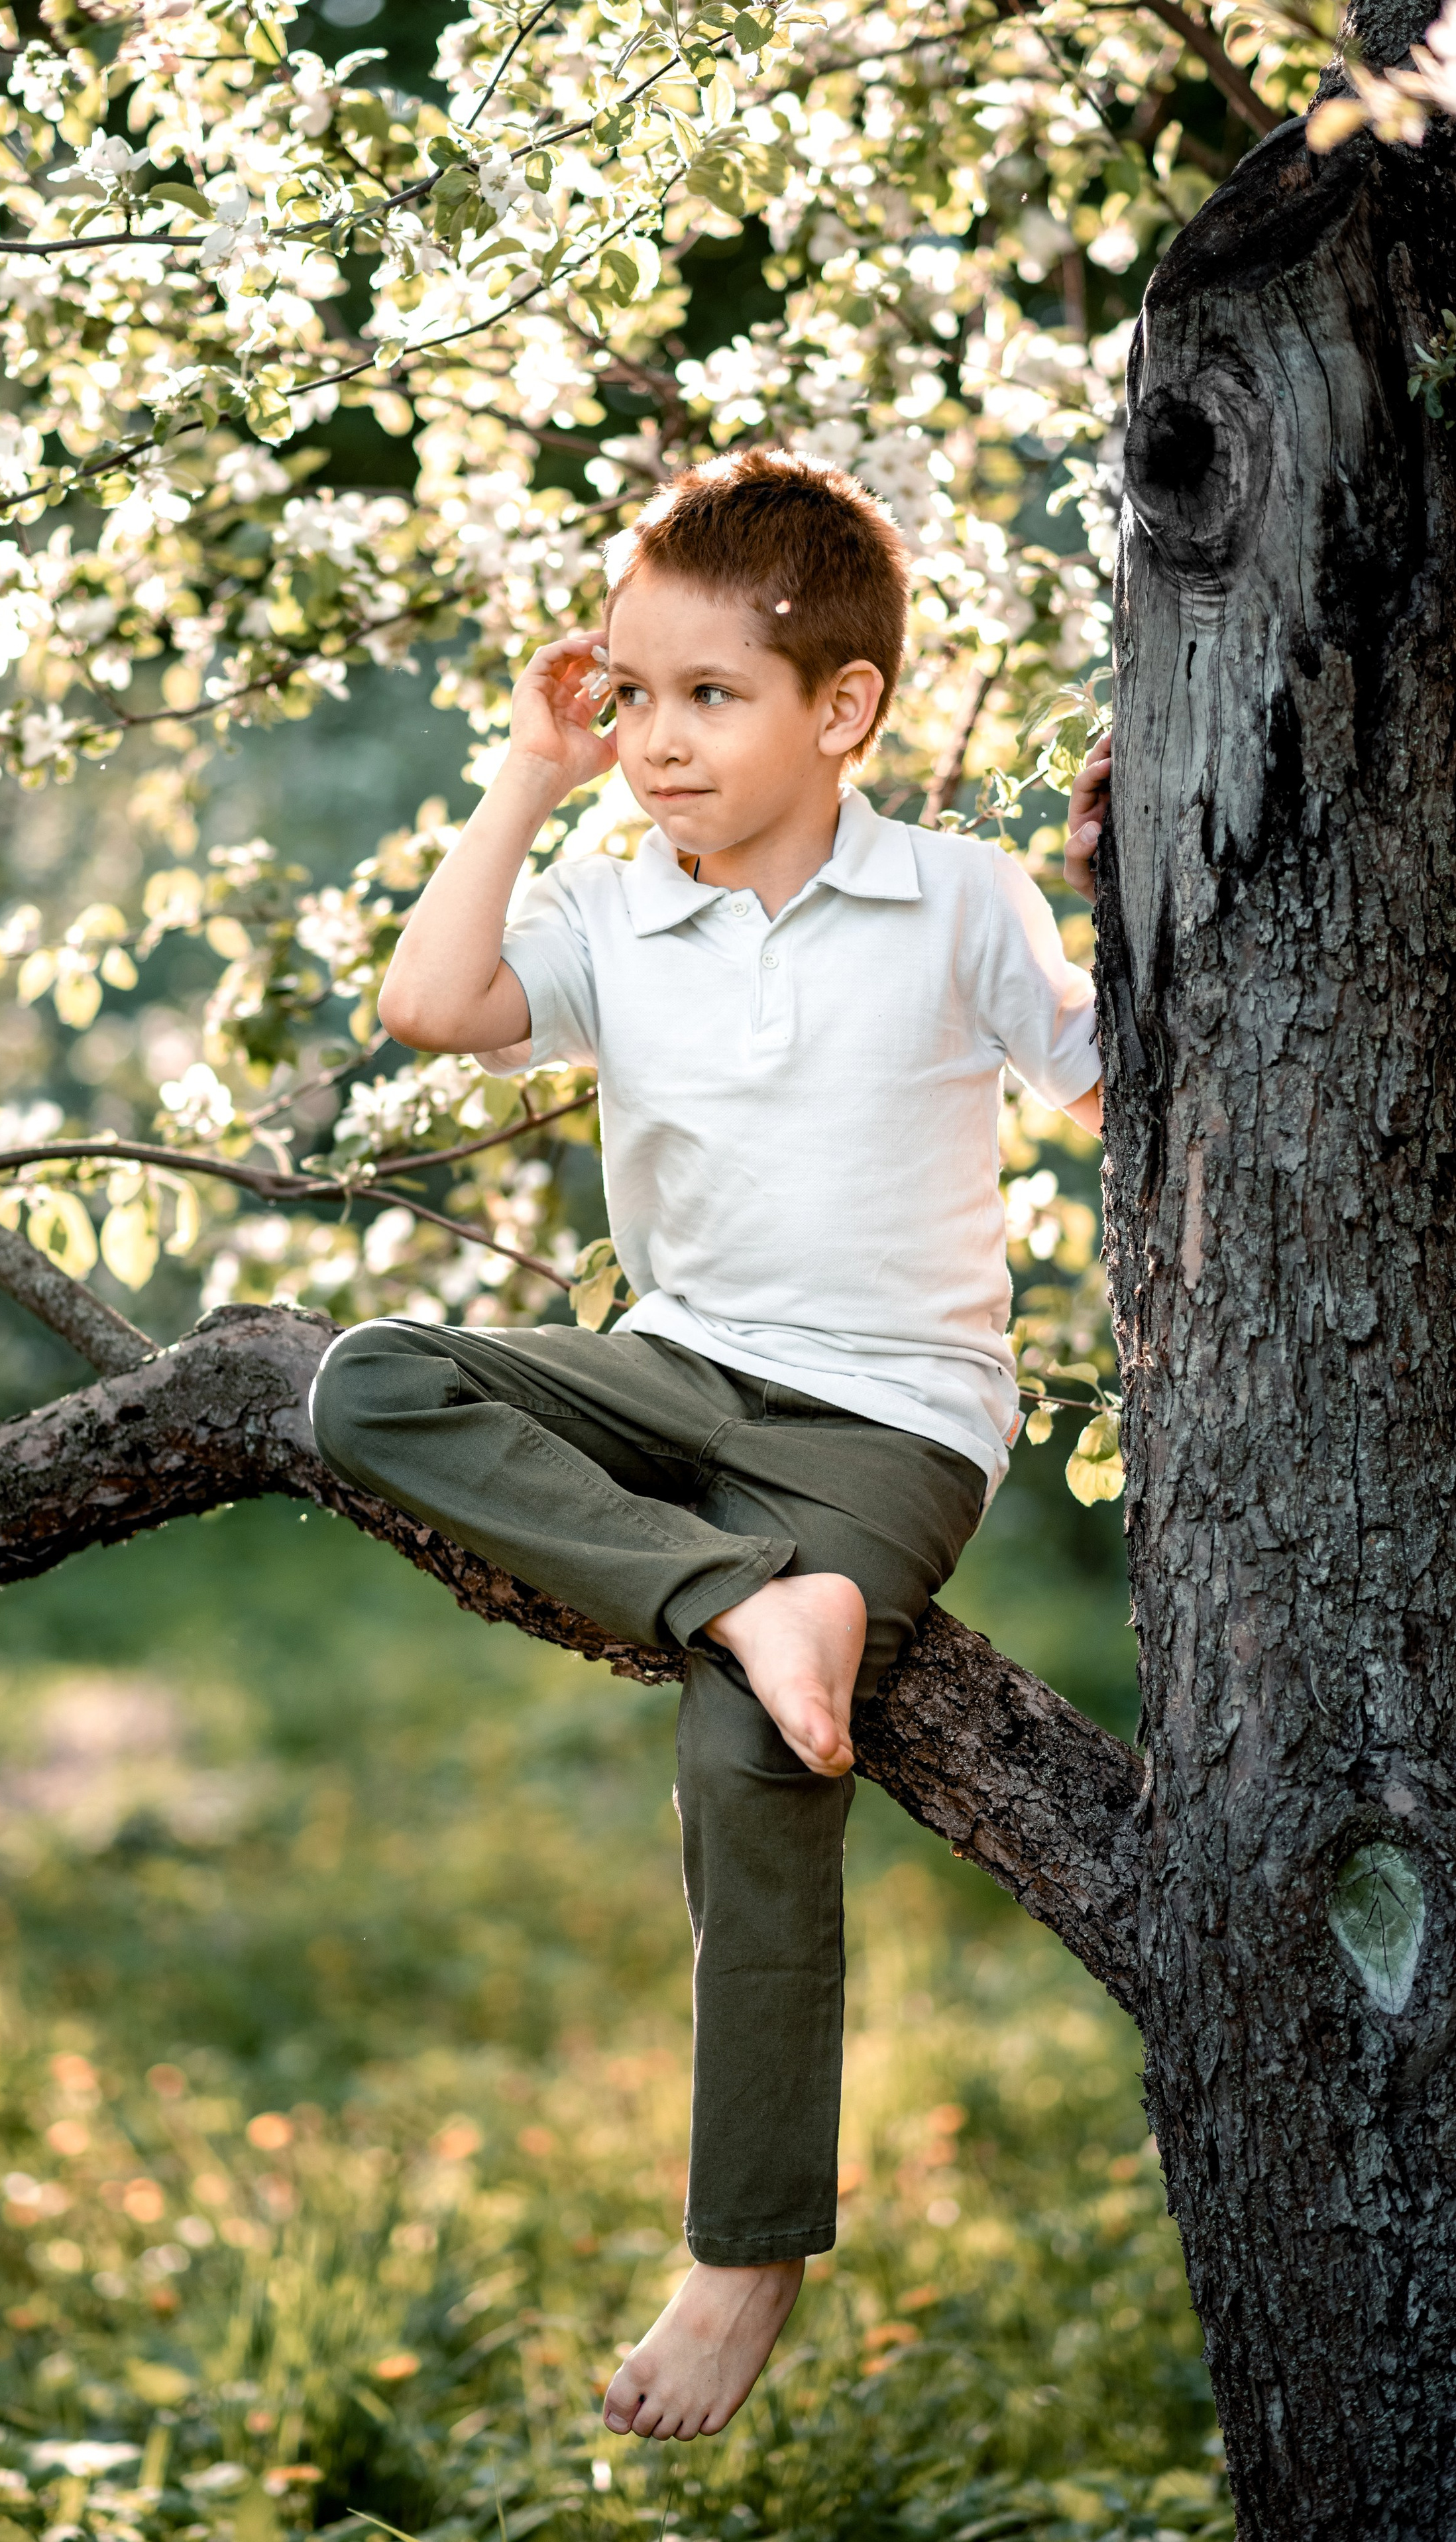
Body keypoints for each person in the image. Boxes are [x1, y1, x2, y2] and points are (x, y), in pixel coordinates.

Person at [311, 447, 1112, 2444]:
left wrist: (1135, 879)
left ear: (839, 709)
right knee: (361, 1383)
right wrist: (525, 774)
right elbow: (430, 1000)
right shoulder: (611, 905)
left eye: (705, 697)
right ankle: (747, 1603)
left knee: (753, 1777)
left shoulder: (950, 897)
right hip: (674, 1379)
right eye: (632, 694)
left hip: (887, 1432)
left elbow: (1123, 1079)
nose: (655, 739)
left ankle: (745, 2249)